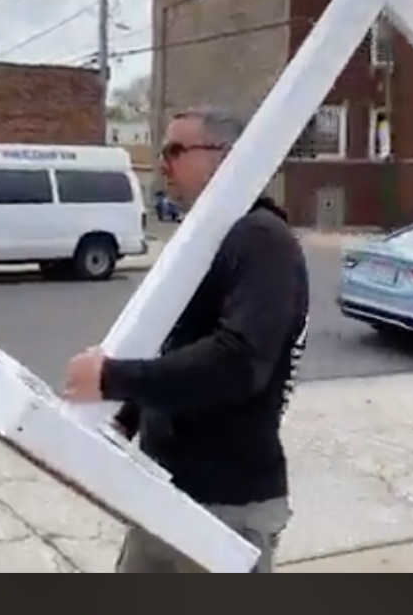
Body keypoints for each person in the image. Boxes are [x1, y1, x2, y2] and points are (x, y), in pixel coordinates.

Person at [63, 105, 310, 574]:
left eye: (175, 150)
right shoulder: (205, 237)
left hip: (226, 506)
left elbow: (239, 362)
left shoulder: (262, 239)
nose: (162, 164)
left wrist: (113, 378)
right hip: (163, 490)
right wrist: (123, 418)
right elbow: (174, 342)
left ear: (226, 156)